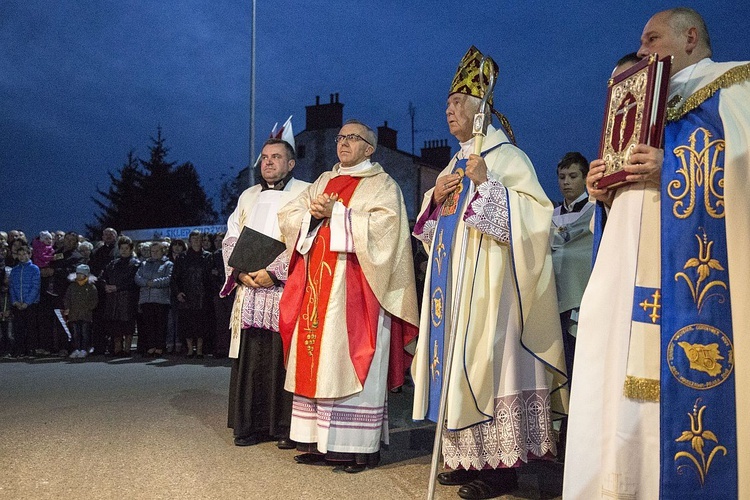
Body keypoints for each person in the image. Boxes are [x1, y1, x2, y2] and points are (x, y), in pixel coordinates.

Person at [564, 8, 750, 499]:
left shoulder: (733, 86)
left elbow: (743, 164)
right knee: (615, 382)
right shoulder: (643, 103)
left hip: (694, 279)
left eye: (651, 39)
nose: (641, 51)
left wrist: (672, 167)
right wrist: (602, 188)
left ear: (690, 37)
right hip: (627, 269)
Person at [410, 46, 567, 499]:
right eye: (446, 105)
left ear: (481, 112)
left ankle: (500, 471)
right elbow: (432, 232)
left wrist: (486, 186)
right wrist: (435, 200)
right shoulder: (455, 162)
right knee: (459, 370)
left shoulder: (506, 158)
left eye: (457, 103)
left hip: (496, 295)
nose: (448, 111)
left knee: (488, 370)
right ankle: (464, 457)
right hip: (455, 290)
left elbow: (537, 220)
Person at [278, 120, 419, 473]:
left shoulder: (383, 185)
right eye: (340, 136)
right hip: (317, 289)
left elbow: (387, 232)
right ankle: (314, 440)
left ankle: (357, 448)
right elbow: (289, 214)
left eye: (352, 138)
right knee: (317, 358)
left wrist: (336, 213)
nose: (343, 142)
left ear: (369, 148)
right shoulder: (324, 180)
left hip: (358, 292)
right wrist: (310, 215)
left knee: (350, 360)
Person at [222, 138, 310, 448]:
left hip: (283, 288)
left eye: (276, 157)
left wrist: (273, 272)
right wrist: (240, 272)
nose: (268, 162)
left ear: (291, 163)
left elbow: (307, 240)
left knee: (282, 355)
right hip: (249, 289)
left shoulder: (305, 192)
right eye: (264, 157)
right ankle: (250, 425)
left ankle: (284, 426)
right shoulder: (248, 195)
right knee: (252, 355)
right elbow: (231, 236)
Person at [550, 152, 594, 380]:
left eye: (573, 176)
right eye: (562, 176)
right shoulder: (550, 215)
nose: (566, 182)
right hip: (553, 297)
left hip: (582, 297)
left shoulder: (597, 211)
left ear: (586, 178)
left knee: (580, 360)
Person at [171, 230, 212, 358]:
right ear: (189, 241)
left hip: (202, 295)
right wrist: (178, 293)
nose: (196, 241)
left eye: (198, 239)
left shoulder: (208, 256)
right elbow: (174, 278)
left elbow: (210, 277)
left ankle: (199, 350)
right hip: (186, 295)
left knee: (201, 323)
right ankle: (189, 349)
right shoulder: (182, 257)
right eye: (193, 239)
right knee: (187, 324)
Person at [101, 236, 140, 357]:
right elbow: (102, 276)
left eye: (126, 248)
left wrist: (118, 287)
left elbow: (134, 281)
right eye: (121, 248)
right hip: (113, 299)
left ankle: (127, 349)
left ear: (131, 249)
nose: (123, 250)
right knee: (115, 325)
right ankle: (117, 349)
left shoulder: (136, 264)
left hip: (128, 298)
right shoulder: (113, 263)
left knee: (128, 325)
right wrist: (105, 285)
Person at [135, 241, 173, 358]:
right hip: (146, 299)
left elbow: (168, 278)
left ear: (163, 251)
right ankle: (151, 347)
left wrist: (154, 283)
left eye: (157, 251)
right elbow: (137, 277)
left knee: (160, 325)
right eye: (152, 251)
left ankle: (160, 347)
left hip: (161, 299)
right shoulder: (144, 263)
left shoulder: (168, 264)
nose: (154, 253)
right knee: (149, 325)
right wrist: (147, 283)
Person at [9, 245, 40, 358]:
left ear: (29, 254)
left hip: (30, 304)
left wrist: (27, 302)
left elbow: (35, 287)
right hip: (18, 304)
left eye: (24, 254)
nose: (22, 257)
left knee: (31, 327)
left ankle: (31, 349)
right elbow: (11, 287)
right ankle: (19, 349)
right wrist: (15, 301)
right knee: (19, 328)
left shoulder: (34, 269)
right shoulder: (15, 270)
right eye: (20, 254)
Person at [63, 264, 98, 359]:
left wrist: (89, 308)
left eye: (81, 274)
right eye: (77, 273)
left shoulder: (91, 286)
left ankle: (84, 349)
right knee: (75, 333)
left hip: (86, 314)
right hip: (73, 314)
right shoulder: (72, 286)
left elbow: (94, 300)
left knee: (85, 332)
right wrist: (68, 307)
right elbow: (67, 298)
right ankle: (76, 349)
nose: (79, 276)